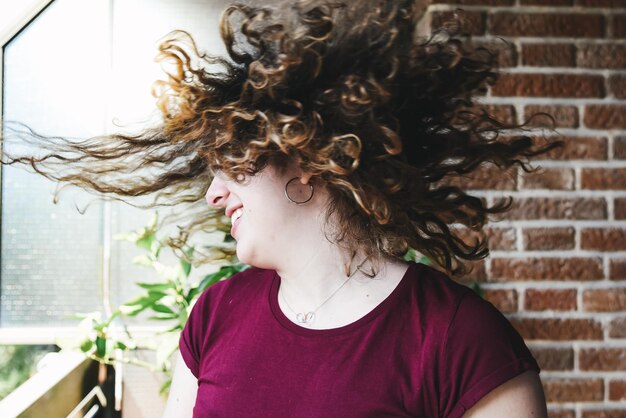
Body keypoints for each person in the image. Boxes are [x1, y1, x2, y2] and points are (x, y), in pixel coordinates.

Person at [5, 0, 559, 416]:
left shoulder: (463, 341)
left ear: (308, 156)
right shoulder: (213, 316)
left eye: (230, 163)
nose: (212, 192)